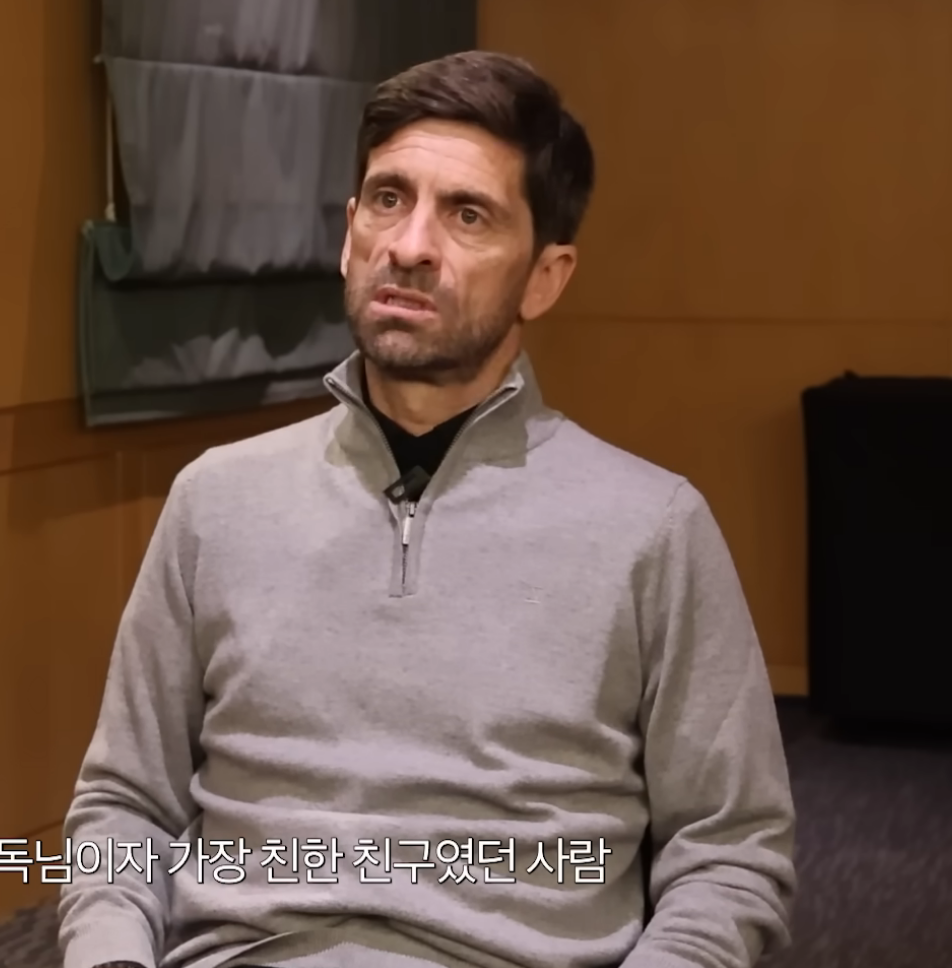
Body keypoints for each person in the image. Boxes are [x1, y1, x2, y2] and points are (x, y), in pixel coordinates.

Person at [57, 51, 796, 968]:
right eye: (388, 199)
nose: (409, 246)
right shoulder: (217, 501)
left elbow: (729, 855)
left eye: (467, 215)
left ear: (545, 277)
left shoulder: (653, 530)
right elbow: (124, 807)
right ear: (348, 237)